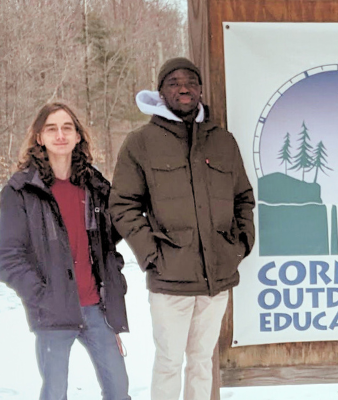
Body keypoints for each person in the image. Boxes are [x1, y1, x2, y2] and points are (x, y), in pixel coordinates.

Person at [109, 57, 255, 400]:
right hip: (169, 280)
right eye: (173, 82)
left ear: (200, 90)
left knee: (203, 360)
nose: (183, 88)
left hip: (216, 278)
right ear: (161, 93)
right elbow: (123, 205)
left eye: (190, 81)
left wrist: (239, 246)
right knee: (170, 361)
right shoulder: (140, 143)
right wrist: (152, 254)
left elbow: (243, 198)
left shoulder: (222, 141)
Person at [0, 102, 130, 400]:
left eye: (67, 127)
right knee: (55, 394)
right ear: (39, 137)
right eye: (51, 128)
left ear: (78, 136)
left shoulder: (95, 186)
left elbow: (108, 244)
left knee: (119, 391)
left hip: (97, 309)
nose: (60, 135)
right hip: (53, 313)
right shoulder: (21, 191)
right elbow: (7, 257)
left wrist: (114, 289)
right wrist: (43, 296)